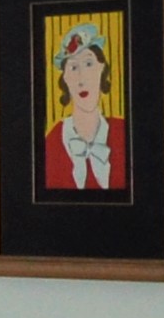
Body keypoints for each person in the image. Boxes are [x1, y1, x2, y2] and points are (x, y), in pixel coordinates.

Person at [36, 19, 123, 196]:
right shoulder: (51, 143)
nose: (82, 79)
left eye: (89, 64)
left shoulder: (123, 132)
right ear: (65, 78)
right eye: (73, 67)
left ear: (102, 69)